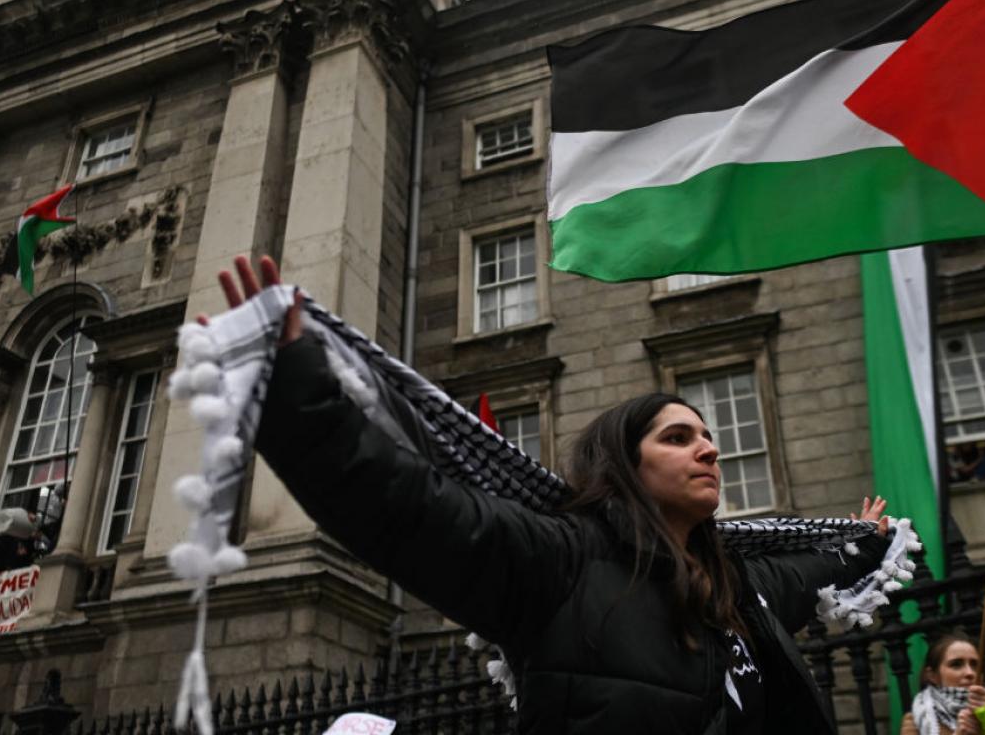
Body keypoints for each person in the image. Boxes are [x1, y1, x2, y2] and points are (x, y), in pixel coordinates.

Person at [211, 256, 894, 735]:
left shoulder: (739, 584)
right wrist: (298, 389)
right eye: (679, 437)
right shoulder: (561, 563)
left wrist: (863, 541)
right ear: (627, 467)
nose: (709, 448)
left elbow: (819, 569)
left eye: (708, 436)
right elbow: (405, 507)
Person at [903, 634, 985, 735]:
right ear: (932, 676)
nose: (970, 673)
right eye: (956, 664)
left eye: (975, 665)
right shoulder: (915, 721)